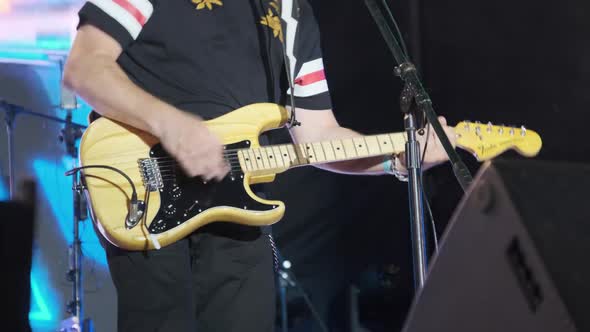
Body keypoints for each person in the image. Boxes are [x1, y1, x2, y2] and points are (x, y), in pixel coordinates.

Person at [63, 0, 456, 331]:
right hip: (146, 192)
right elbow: (84, 68)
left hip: (239, 212)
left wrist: (397, 156)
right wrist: (171, 125)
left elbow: (318, 134)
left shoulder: (291, 10)